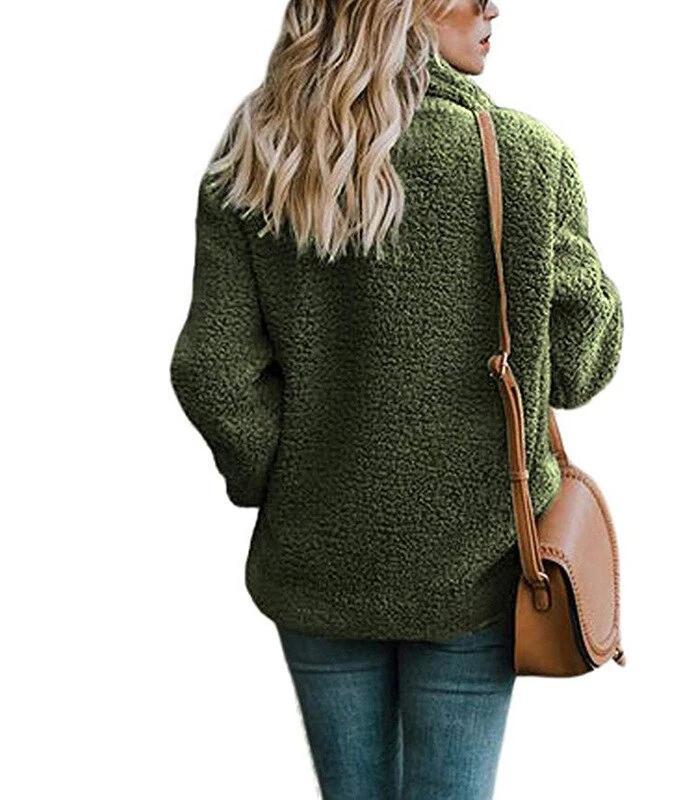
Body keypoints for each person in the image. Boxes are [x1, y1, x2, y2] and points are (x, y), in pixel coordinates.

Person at [169, 1, 624, 797]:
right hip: (475, 566)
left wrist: (285, 483)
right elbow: (581, 367)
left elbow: (213, 371)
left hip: (316, 562)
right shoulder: (526, 159)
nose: (492, 6)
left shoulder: (260, 162)